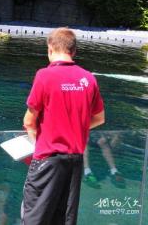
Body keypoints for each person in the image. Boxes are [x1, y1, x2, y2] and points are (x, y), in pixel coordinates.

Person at [21, 27, 105, 224]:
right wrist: (75, 127)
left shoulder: (44, 75)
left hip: (47, 161)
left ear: (50, 49)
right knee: (64, 219)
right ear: (74, 51)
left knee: (35, 218)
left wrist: (36, 145)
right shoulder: (88, 79)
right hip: (75, 162)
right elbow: (100, 118)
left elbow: (28, 122)